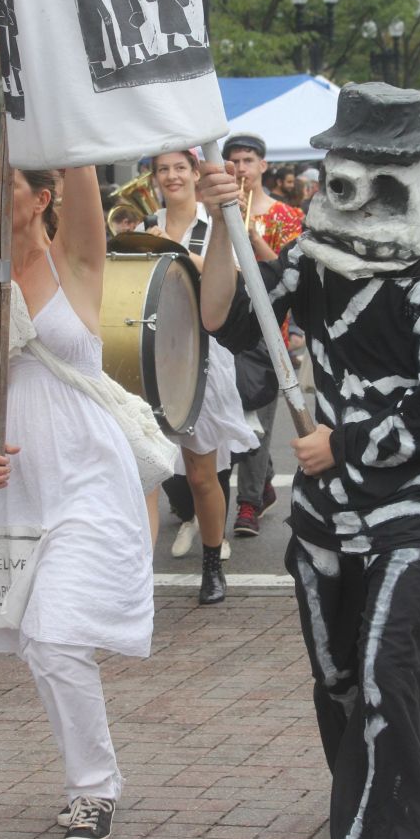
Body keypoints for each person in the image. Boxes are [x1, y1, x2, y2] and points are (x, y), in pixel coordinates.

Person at [199, 83, 420, 839]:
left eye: (388, 175)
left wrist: (345, 442)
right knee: (337, 675)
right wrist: (223, 224)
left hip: (406, 511)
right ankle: (360, 786)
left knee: (387, 666)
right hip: (323, 515)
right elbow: (231, 321)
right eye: (352, 171)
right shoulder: (309, 262)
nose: (366, 193)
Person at [0, 147, 174, 839]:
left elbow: (80, 163)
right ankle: (92, 777)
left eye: (1, 182)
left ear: (42, 197)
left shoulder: (77, 259)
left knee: (54, 635)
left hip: (88, 478)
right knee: (37, 644)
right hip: (11, 488)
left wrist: (57, 112)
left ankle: (92, 790)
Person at [137, 149, 257, 603]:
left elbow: (236, 281)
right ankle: (137, 573)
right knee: (147, 471)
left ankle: (212, 565)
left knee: (203, 473)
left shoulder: (215, 225)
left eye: (179, 168)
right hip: (152, 358)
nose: (171, 176)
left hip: (202, 359)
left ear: (194, 173)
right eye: (163, 169)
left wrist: (173, 251)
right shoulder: (145, 224)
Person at [222, 132, 304, 537]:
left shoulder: (286, 215)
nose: (241, 169)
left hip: (271, 329)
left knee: (259, 415)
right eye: (235, 162)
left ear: (263, 165)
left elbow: (292, 272)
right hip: (225, 324)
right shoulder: (217, 210)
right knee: (233, 416)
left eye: (248, 161)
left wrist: (252, 237)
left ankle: (248, 502)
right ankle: (263, 480)